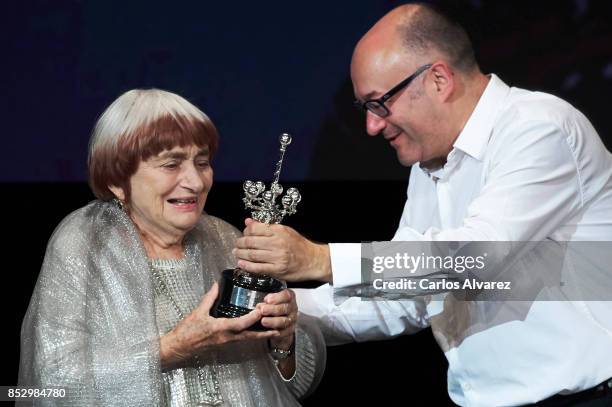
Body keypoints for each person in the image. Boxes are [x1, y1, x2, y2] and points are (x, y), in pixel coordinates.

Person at [233, 3, 612, 406]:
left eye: (379, 103)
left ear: (438, 79)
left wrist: (319, 259)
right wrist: (280, 309)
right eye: (366, 109)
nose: (372, 125)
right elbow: (407, 297)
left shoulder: (538, 128)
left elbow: (477, 258)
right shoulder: (430, 164)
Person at [19, 89, 325, 406]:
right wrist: (173, 347)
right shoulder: (85, 244)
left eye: (202, 162)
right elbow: (50, 383)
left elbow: (290, 385)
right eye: (171, 164)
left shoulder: (225, 239)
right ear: (117, 178)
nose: (195, 181)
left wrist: (283, 340)